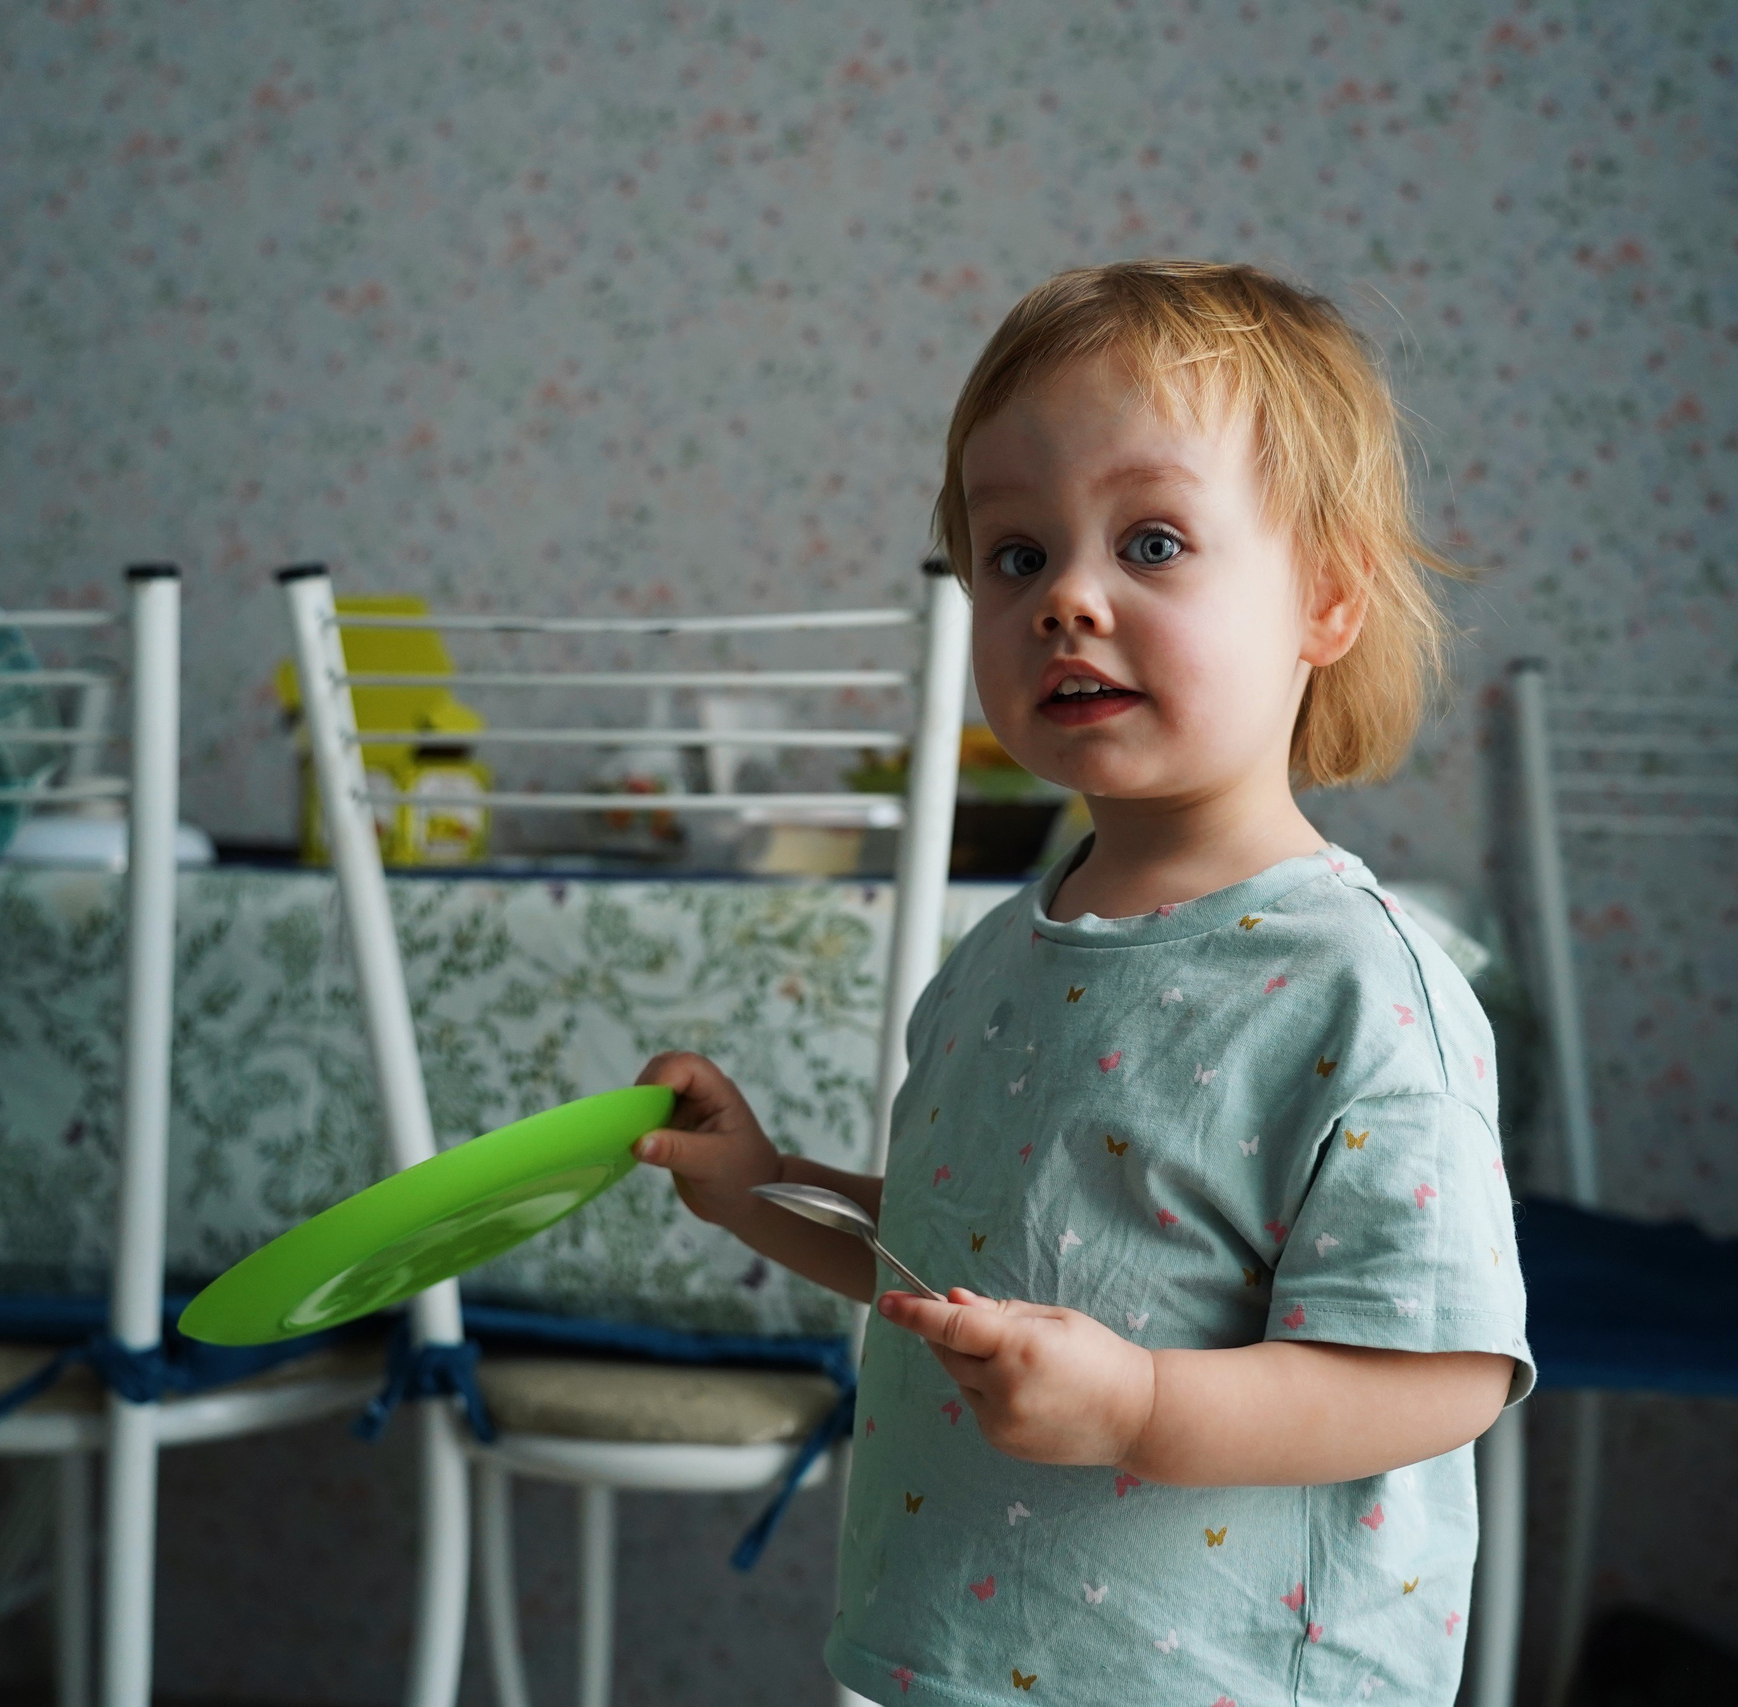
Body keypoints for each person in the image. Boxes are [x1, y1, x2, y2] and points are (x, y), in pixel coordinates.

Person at [634, 259, 1531, 1704]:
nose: (1068, 600)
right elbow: (964, 1270)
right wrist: (764, 1189)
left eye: (1155, 542)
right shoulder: (1005, 952)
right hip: (968, 1659)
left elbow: (1444, 1375)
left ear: (1326, 601)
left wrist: (1144, 1405)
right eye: (1017, 557)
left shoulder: (1361, 989)